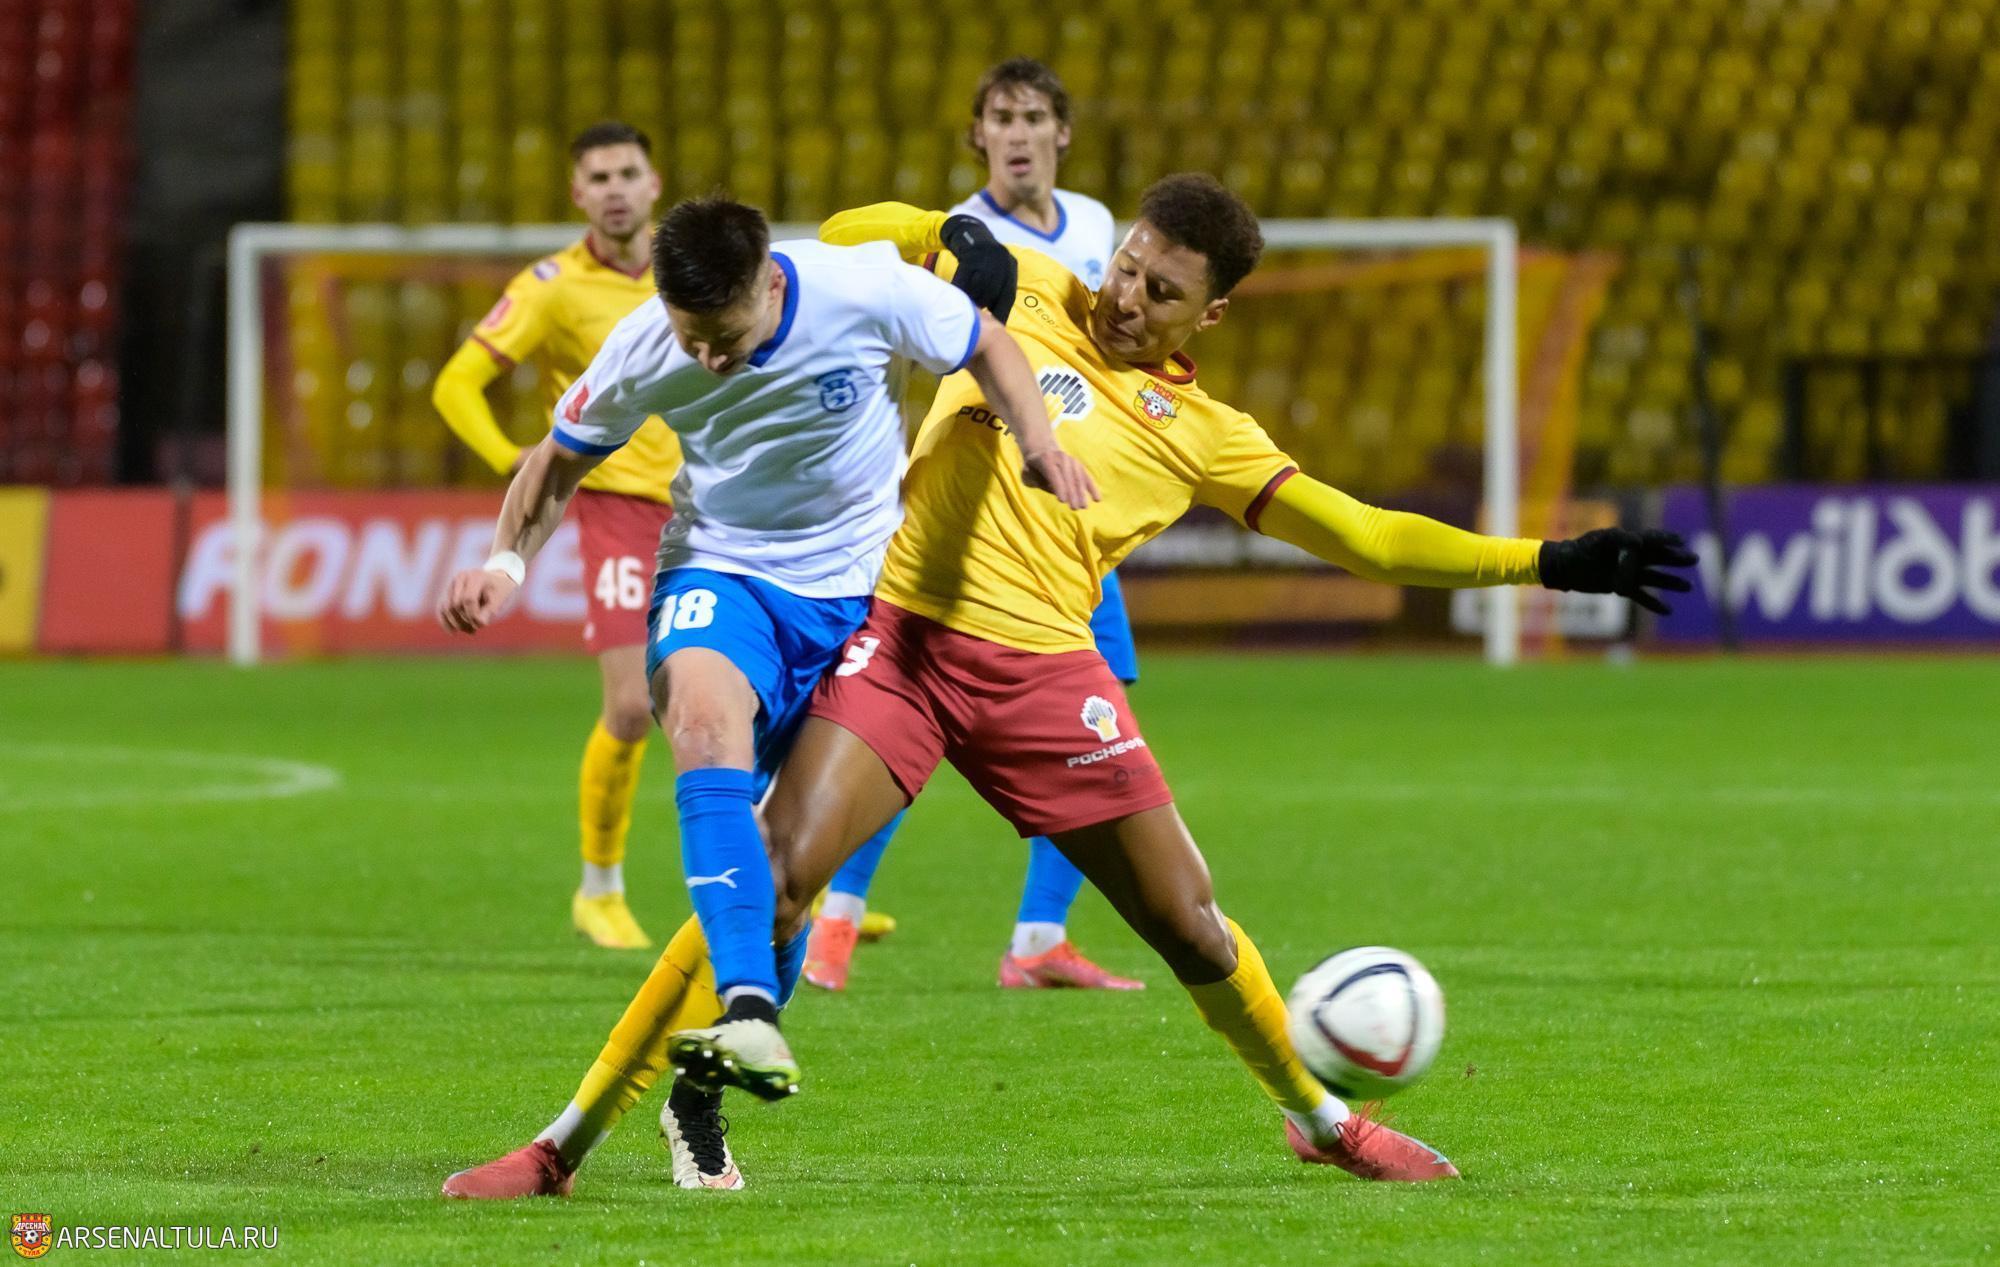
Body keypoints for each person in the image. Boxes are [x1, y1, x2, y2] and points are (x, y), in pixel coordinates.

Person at [437, 175, 1694, 1197]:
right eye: (1128, 265)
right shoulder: (1027, 288)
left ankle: (1322, 1118)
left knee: (1188, 921)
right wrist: (956, 236)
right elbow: (852, 239)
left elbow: (1363, 535)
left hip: (1045, 675)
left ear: (1208, 315)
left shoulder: (1204, 435)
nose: (1126, 296)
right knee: (771, 874)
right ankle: (563, 1144)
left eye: (1162, 291)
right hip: (902, 644)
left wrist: (1542, 561)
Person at [436, 195, 1095, 1192]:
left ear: (770, 283)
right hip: (722, 572)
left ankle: (692, 1097)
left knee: (788, 877)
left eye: (726, 336)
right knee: (704, 726)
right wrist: (503, 564)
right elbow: (555, 462)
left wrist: (1038, 442)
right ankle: (746, 1004)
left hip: (867, 603)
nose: (706, 359)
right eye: (690, 337)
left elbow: (989, 343)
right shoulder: (643, 345)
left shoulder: (859, 289)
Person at [805, 57, 1142, 994]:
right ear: (978, 134)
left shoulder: (1097, 227)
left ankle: (1039, 938)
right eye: (1001, 117)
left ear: (1062, 132)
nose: (1018, 133)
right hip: (973, 507)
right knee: (910, 716)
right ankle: (835, 917)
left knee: (1102, 715)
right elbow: (846, 255)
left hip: (1068, 511)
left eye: (1034, 116)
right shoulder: (960, 230)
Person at [430, 121, 677, 950]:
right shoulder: (551, 287)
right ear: (577, 194)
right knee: (633, 704)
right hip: (617, 506)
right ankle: (599, 889)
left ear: (654, 184)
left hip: (712, 505)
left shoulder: (689, 270)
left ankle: (804, 882)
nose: (614, 189)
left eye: (627, 173)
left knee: (760, 695)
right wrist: (515, 461)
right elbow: (457, 383)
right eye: (597, 177)